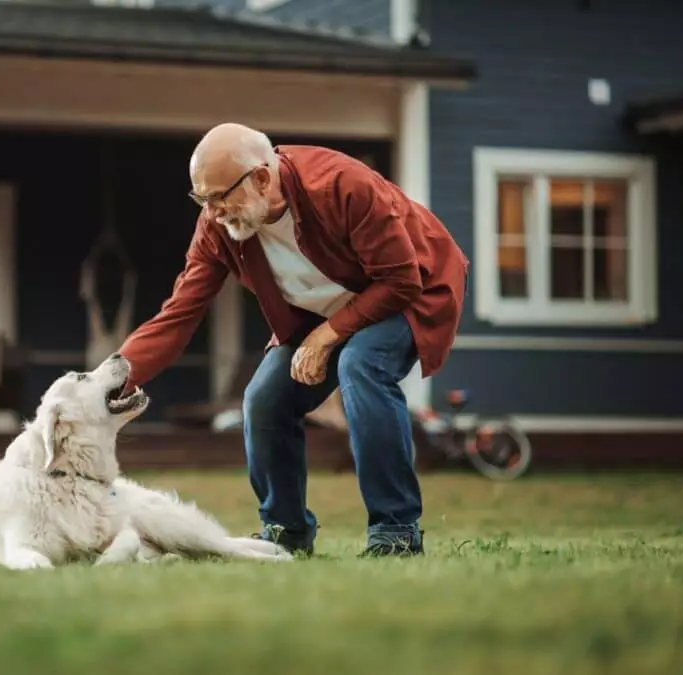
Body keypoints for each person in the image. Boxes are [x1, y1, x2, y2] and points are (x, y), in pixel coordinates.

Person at [117, 122, 469, 558]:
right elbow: (180, 312)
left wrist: (328, 335)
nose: (212, 212)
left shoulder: (343, 185)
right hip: (324, 313)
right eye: (201, 199)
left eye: (219, 196)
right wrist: (115, 377)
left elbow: (401, 279)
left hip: (413, 289)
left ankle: (395, 530)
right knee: (264, 397)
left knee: (361, 363)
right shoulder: (218, 226)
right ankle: (286, 531)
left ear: (262, 177)